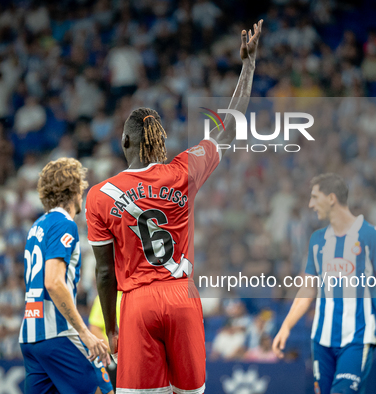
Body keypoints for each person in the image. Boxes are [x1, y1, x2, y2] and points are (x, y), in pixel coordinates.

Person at [87, 20, 263, 394]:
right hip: (182, 296)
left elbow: (104, 273)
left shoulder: (100, 195)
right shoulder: (184, 169)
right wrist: (247, 68)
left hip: (136, 303)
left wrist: (112, 327)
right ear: (160, 141)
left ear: (124, 141)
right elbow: (228, 128)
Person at [272, 173, 376, 394]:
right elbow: (308, 288)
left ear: (331, 198)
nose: (310, 204)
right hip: (321, 338)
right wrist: (286, 326)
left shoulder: (370, 235)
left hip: (358, 336)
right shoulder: (317, 239)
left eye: (315, 197)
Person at [19, 158, 113, 394]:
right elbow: (53, 282)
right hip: (58, 334)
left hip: (31, 337)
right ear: (75, 189)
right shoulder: (64, 223)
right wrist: (85, 333)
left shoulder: (37, 226)